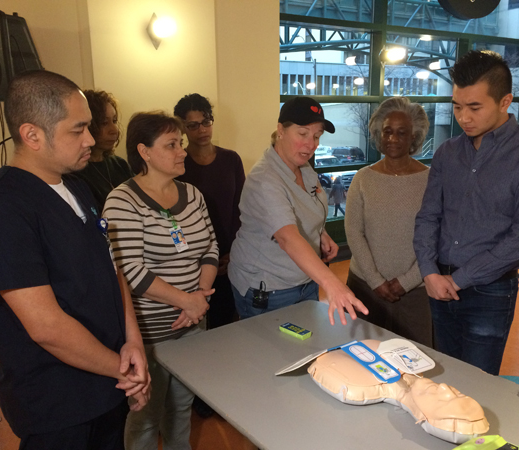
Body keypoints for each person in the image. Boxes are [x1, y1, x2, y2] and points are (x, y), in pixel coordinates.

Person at [0, 70, 149, 449]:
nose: (92, 139)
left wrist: (133, 343)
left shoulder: (76, 187)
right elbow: (46, 326)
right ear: (32, 135)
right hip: (59, 405)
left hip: (107, 385)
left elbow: (111, 270)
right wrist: (126, 372)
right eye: (77, 129)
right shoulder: (0, 209)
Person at [414, 50, 519, 375]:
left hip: (490, 291)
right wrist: (429, 272)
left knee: (477, 384)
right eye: (457, 106)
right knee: (442, 377)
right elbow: (428, 216)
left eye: (474, 107)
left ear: (505, 101)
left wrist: (459, 279)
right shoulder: (447, 152)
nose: (463, 117)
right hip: (438, 282)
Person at [103, 111, 218, 450]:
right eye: (171, 145)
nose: (182, 151)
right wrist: (188, 301)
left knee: (181, 408)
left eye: (180, 143)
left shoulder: (192, 194)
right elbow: (128, 270)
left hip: (194, 324)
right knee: (145, 416)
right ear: (144, 152)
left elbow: (211, 246)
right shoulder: (122, 200)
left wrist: (199, 297)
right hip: (150, 334)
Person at [228, 96, 368, 326]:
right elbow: (288, 238)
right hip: (268, 288)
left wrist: (320, 233)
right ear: (280, 130)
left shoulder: (303, 168)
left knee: (306, 346)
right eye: (302, 134)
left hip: (304, 279)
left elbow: (305, 205)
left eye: (317, 136)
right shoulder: (265, 179)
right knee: (274, 358)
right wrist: (333, 284)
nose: (311, 144)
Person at [345, 97, 432, 347]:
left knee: (416, 360)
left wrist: (405, 282)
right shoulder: (363, 178)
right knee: (362, 359)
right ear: (378, 134)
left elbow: (435, 237)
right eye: (387, 131)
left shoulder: (430, 180)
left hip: (415, 292)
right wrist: (375, 281)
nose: (393, 139)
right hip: (365, 288)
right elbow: (353, 231)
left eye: (401, 133)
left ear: (413, 137)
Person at [173, 93, 245, 330]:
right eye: (192, 125)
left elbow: (241, 209)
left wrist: (232, 252)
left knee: (225, 323)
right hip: (192, 258)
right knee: (194, 325)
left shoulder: (230, 160)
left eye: (206, 122)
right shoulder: (178, 165)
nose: (201, 130)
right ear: (183, 128)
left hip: (228, 255)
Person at [75, 90, 134, 210]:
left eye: (115, 121)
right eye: (104, 123)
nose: (114, 130)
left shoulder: (119, 164)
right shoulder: (75, 172)